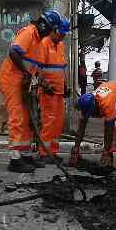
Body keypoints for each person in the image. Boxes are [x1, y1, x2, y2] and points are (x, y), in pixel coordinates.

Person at [0, 9, 65, 173]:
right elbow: (14, 52)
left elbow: (35, 69)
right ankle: (15, 159)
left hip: (23, 81)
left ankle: (25, 155)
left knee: (28, 119)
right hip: (11, 79)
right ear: (45, 26)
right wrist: (26, 74)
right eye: (50, 29)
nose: (50, 32)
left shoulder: (40, 42)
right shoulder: (29, 32)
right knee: (18, 117)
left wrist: (42, 83)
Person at [37, 17, 70, 162]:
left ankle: (53, 151)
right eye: (61, 33)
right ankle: (44, 153)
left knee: (58, 122)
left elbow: (62, 68)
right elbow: (36, 69)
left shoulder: (61, 45)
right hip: (48, 91)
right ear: (55, 30)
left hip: (59, 91)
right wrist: (44, 85)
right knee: (48, 122)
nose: (63, 36)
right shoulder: (43, 44)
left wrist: (65, 85)